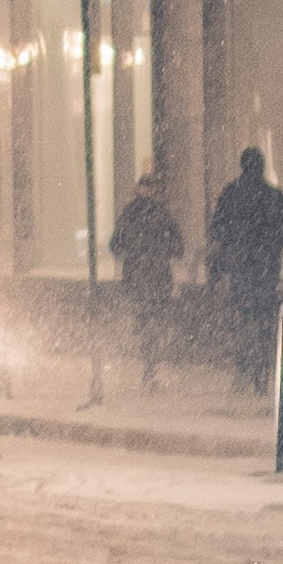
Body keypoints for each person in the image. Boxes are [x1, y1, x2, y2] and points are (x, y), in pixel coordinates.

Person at [205, 140, 283, 393]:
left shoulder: (230, 194)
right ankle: (261, 374)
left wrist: (228, 257)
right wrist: (268, 242)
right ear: (262, 166)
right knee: (264, 321)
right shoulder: (274, 196)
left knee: (243, 320)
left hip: (240, 271)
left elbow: (217, 230)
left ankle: (243, 369)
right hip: (266, 271)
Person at [107, 162, 181, 395]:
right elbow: (178, 247)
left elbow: (115, 245)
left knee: (144, 320)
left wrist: (133, 251)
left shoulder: (129, 214)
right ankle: (150, 364)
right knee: (154, 321)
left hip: (136, 277)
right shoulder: (162, 214)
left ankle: (148, 363)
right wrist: (160, 251)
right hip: (157, 277)